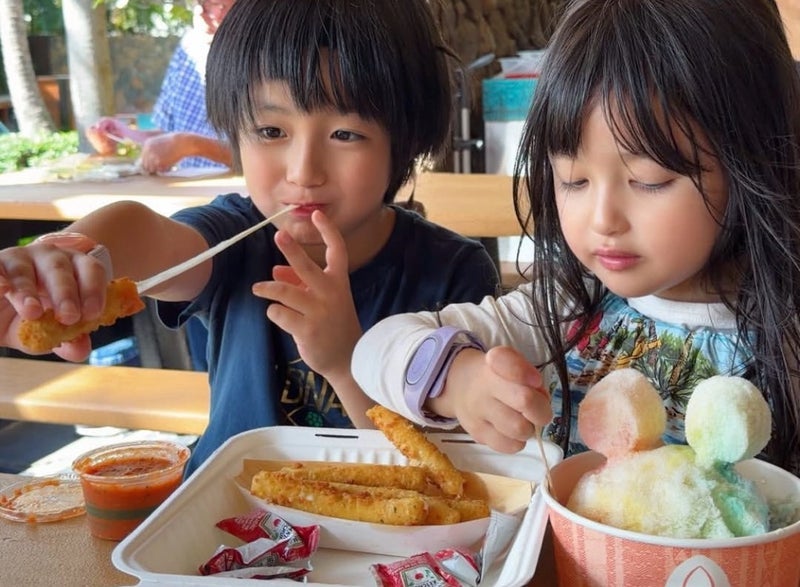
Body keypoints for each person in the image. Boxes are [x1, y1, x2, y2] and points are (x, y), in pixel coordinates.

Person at [0, 0, 500, 476]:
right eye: (270, 131)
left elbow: (452, 476)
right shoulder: (236, 238)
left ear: (405, 141)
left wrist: (347, 364)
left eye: (346, 134)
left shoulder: (452, 274)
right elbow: (144, 233)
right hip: (217, 516)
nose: (303, 171)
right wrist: (66, 257)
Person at [352, 0, 800, 477]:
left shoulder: (784, 333)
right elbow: (374, 349)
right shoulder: (568, 307)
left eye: (649, 181)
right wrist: (458, 380)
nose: (603, 219)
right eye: (574, 179)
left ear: (750, 161)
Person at [85, 0, 235, 174]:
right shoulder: (189, 47)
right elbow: (168, 134)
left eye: (213, 4)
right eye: (197, 3)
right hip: (188, 185)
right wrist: (122, 136)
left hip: (239, 189)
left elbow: (260, 150)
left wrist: (191, 144)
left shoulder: (258, 57)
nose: (200, 13)